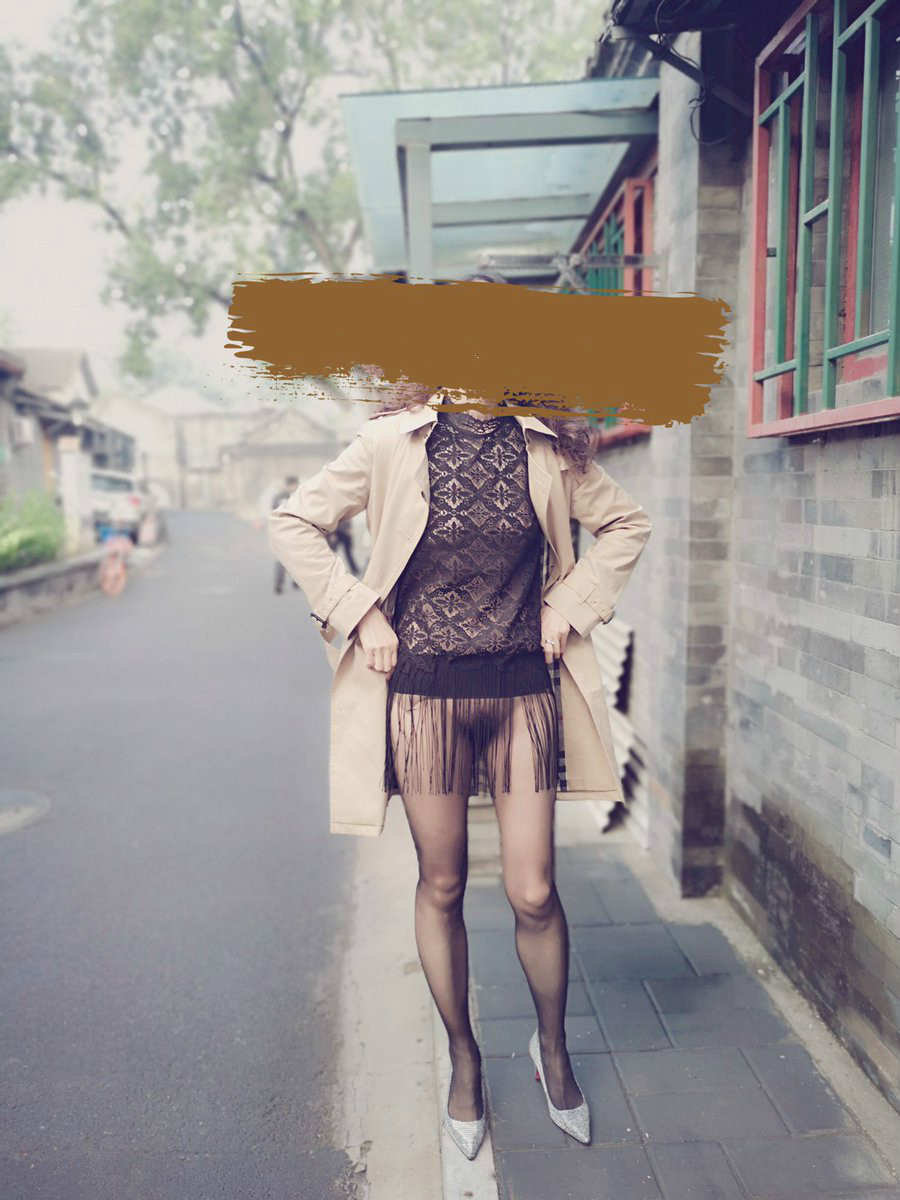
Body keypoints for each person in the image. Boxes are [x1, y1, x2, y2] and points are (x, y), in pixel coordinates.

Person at [267, 276, 652, 1161]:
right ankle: (465, 1059)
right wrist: (360, 614)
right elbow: (294, 523)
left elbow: (627, 524)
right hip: (424, 696)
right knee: (440, 885)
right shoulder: (390, 442)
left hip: (522, 691)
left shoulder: (548, 446)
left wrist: (570, 607)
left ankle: (552, 1048)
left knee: (533, 890)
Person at [271, 475, 300, 594]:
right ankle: (281, 583)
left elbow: (273, 511)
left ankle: (293, 581)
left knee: (292, 558)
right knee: (287, 559)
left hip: (284, 531)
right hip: (290, 531)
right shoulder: (297, 497)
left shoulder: (279, 497)